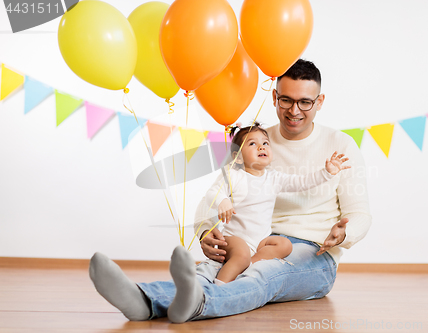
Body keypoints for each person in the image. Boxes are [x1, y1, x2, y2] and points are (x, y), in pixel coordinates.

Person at [89, 59, 371, 323]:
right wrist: (204, 230)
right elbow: (216, 191)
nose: (294, 110)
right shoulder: (252, 140)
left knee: (264, 273)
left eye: (305, 102)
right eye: (286, 100)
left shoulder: (341, 146)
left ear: (319, 102)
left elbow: (359, 213)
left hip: (313, 253)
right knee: (211, 268)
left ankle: (198, 304)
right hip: (251, 239)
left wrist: (344, 234)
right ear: (275, 97)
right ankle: (143, 300)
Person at [206, 122, 351, 284]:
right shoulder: (233, 175)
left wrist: (326, 173)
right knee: (241, 256)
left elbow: (302, 183)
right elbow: (212, 193)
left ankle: (251, 264)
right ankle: (218, 287)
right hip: (234, 238)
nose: (261, 147)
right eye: (252, 143)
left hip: (261, 239)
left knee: (284, 245)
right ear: (237, 157)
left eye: (265, 143)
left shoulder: (273, 178)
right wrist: (223, 200)